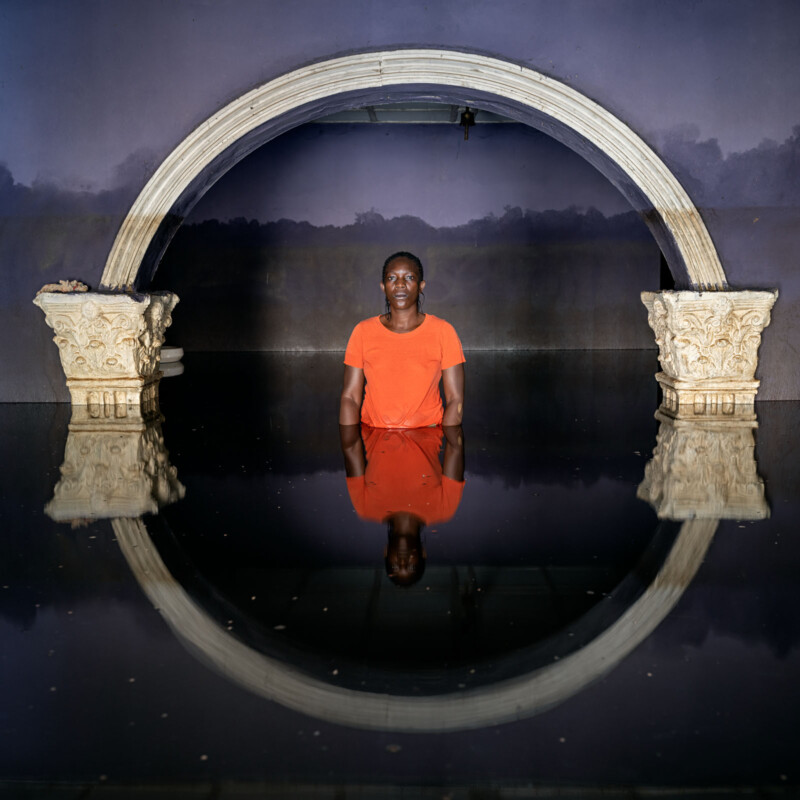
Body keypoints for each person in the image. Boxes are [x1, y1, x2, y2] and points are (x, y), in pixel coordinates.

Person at [339, 252, 465, 428]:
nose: (400, 284)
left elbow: (455, 399)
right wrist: (351, 449)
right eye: (392, 278)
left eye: (409, 277)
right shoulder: (363, 331)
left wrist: (450, 446)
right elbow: (350, 398)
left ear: (421, 286)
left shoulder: (443, 331)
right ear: (383, 286)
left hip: (426, 438)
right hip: (375, 438)